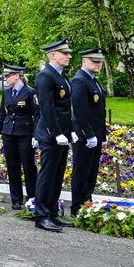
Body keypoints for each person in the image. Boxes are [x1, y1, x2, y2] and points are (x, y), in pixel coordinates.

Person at [32, 39, 76, 232]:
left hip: (62, 135)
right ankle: (41, 216)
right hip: (51, 135)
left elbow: (67, 108)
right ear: (52, 55)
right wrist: (56, 133)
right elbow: (47, 108)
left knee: (57, 175)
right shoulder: (45, 77)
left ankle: (52, 212)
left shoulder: (61, 76)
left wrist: (70, 130)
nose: (69, 56)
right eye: (65, 53)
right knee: (47, 175)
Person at [0, 64, 38, 210]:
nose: (5, 79)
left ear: (17, 76)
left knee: (28, 167)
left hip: (25, 134)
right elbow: (2, 113)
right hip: (9, 133)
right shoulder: (7, 93)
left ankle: (32, 198)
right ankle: (16, 199)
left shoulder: (30, 92)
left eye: (8, 76)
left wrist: (35, 135)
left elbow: (37, 115)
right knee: (12, 167)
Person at [70, 48, 108, 216]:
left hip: (95, 134)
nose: (98, 64)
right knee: (81, 172)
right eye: (94, 61)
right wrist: (89, 134)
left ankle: (87, 203)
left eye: (99, 62)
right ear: (84, 62)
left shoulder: (93, 80)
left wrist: (101, 134)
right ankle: (77, 207)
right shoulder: (80, 80)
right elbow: (81, 111)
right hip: (85, 136)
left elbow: (98, 110)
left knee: (91, 172)